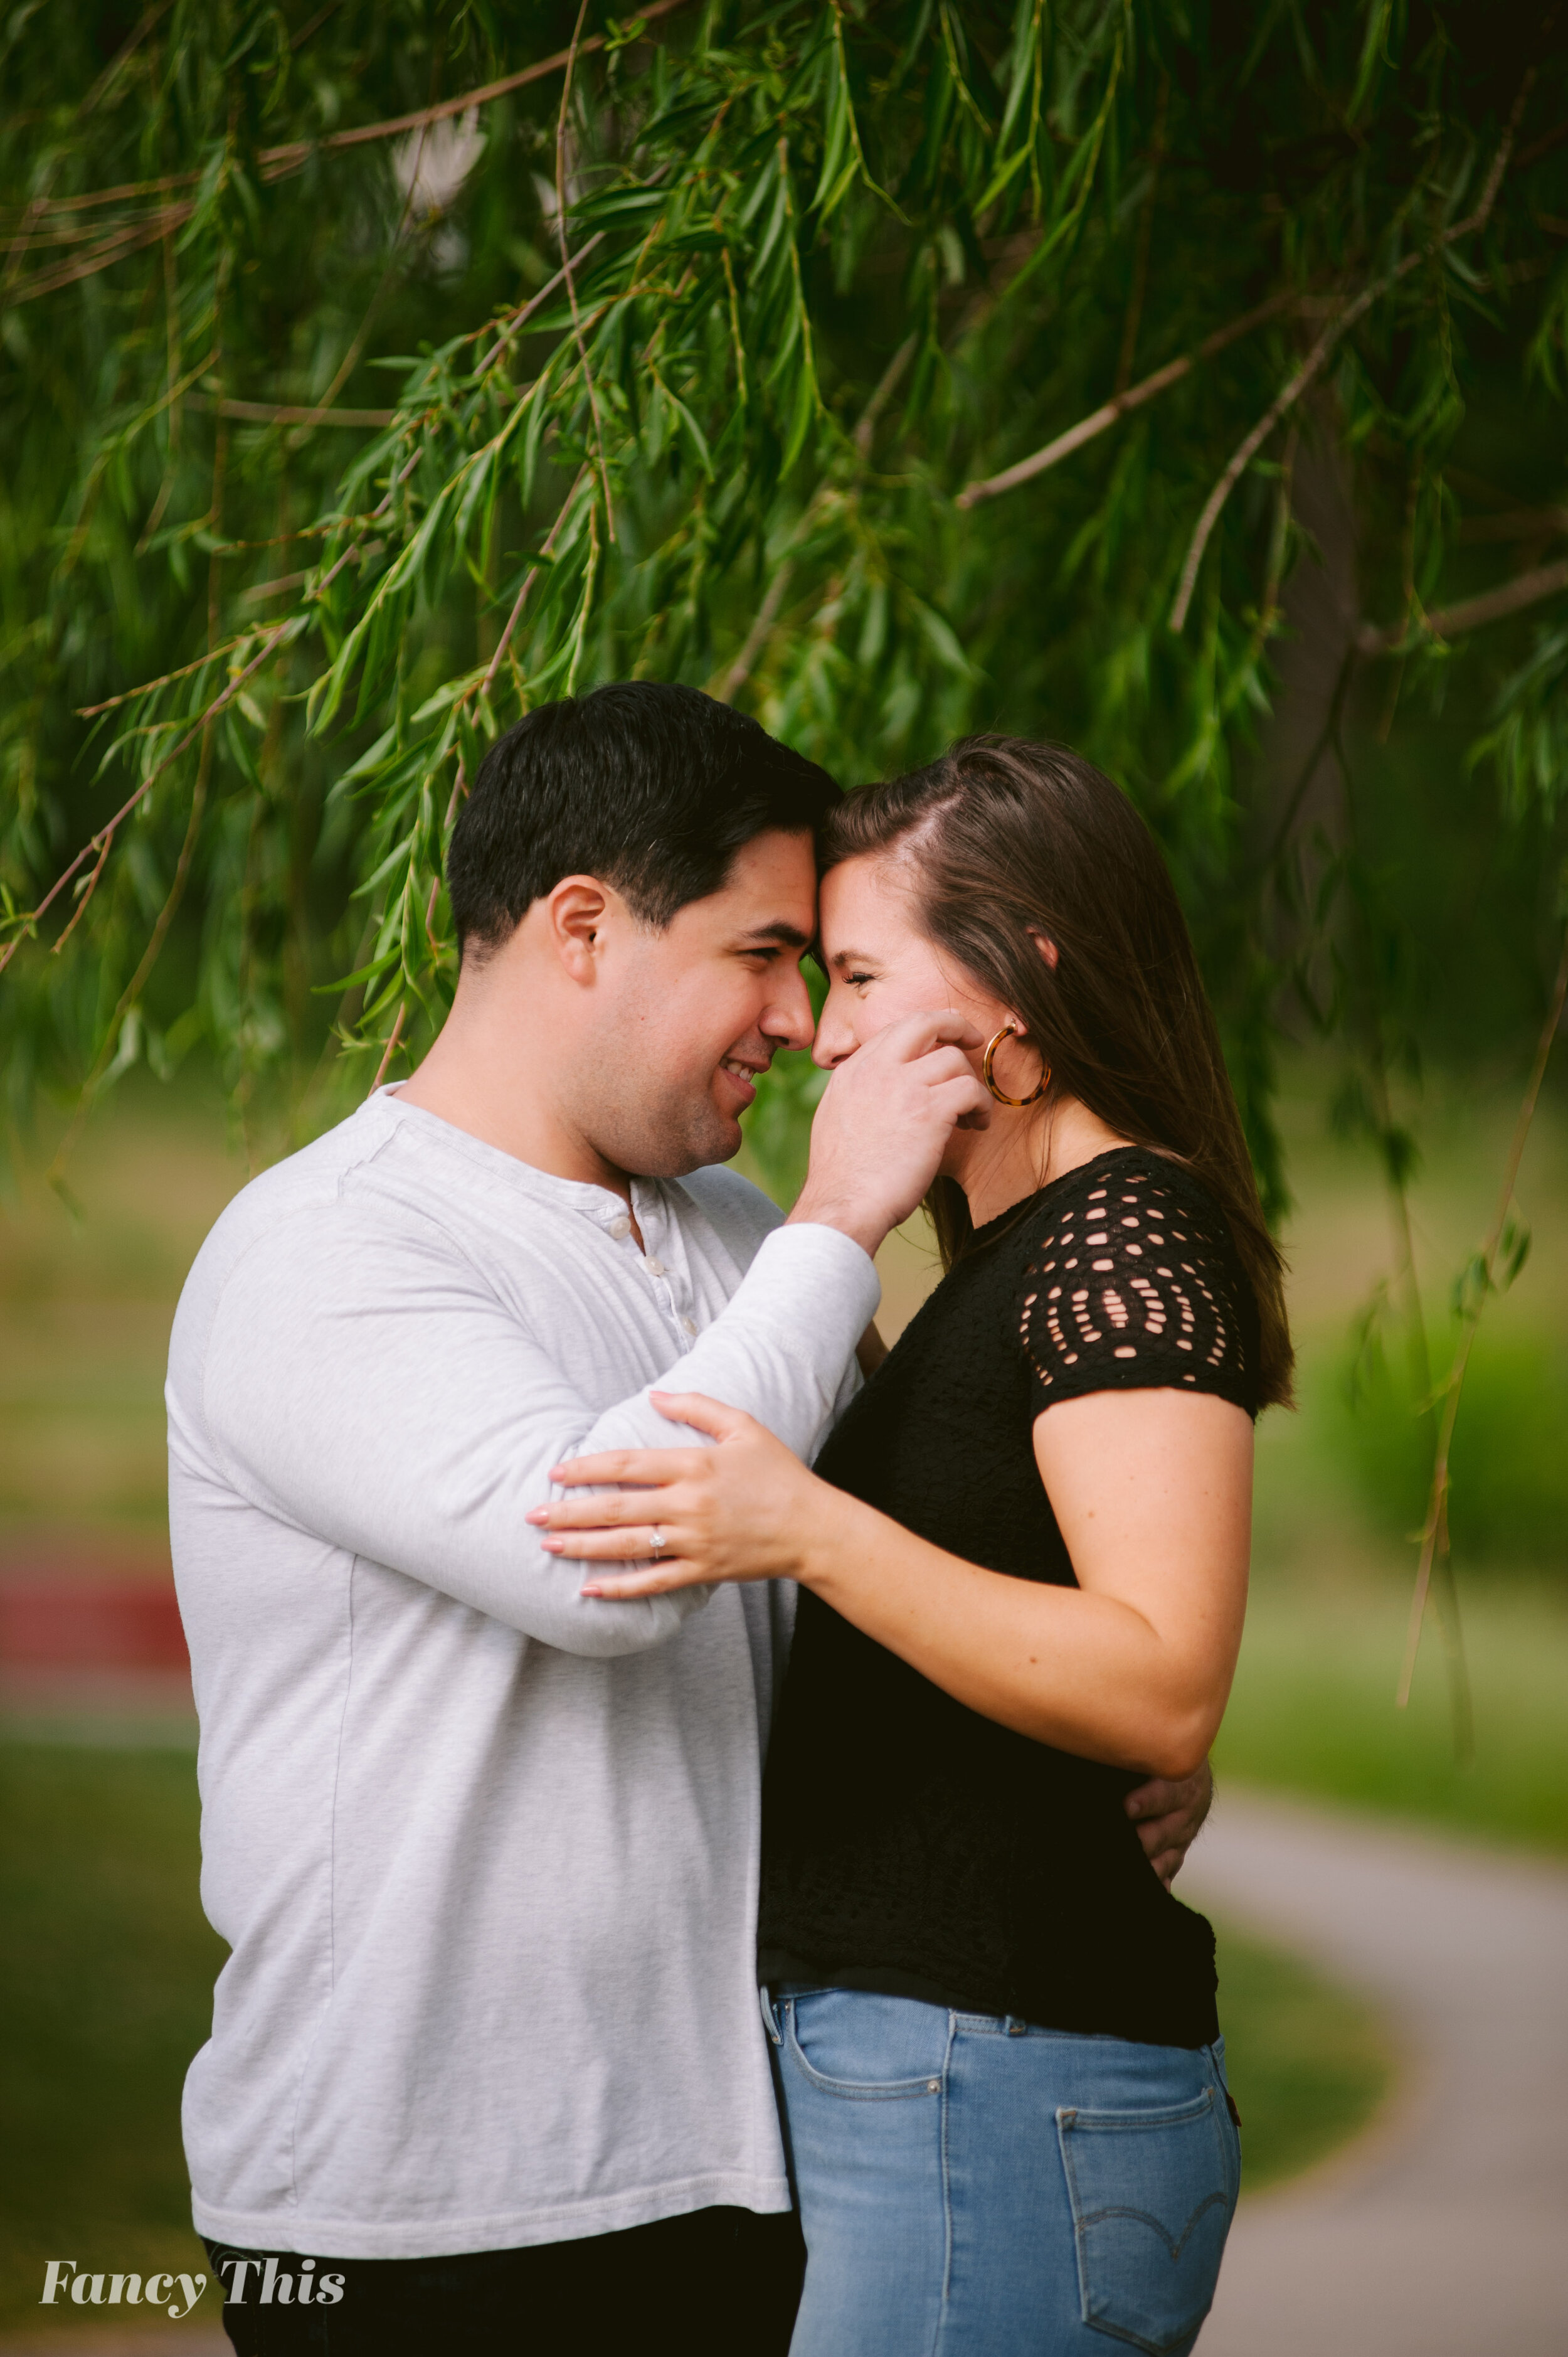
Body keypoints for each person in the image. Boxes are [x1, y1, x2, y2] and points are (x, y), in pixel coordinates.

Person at [166, 682, 998, 2356]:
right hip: (414, 2213)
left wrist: (1091, 1723)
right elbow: (606, 1564)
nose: (801, 1023)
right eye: (762, 955)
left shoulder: (731, 1232)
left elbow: (884, 1565)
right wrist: (842, 1218)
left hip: (726, 2170)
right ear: (580, 929)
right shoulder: (324, 1249)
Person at [528, 735, 1294, 2356]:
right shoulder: (1023, 1246)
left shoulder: (1118, 1234)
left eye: (864, 973)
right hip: (949, 2065)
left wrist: (806, 1529)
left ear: (1018, 980)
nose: (826, 1029)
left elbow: (1160, 1684)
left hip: (1000, 2070)